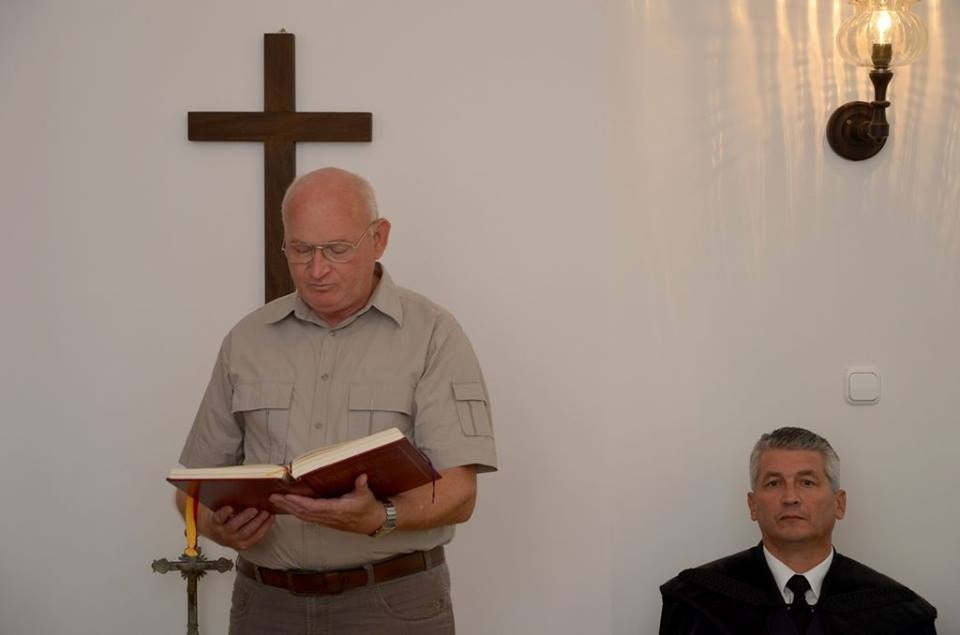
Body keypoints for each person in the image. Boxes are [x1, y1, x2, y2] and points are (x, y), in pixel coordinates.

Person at [174, 167, 497, 634]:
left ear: (379, 238)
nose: (317, 269)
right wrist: (213, 526)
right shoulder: (246, 340)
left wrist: (381, 516)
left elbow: (459, 495)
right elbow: (191, 488)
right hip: (266, 607)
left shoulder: (433, 335)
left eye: (337, 249)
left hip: (390, 605)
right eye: (301, 250)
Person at [659, 427, 936, 634]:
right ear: (752, 505)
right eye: (773, 483)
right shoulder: (695, 602)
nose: (790, 497)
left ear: (839, 504)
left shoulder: (899, 615)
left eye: (806, 482)